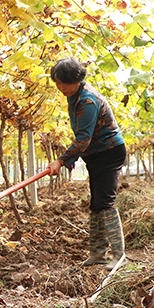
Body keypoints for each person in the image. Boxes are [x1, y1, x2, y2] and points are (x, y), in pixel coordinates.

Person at [46, 57, 127, 270]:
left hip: (108, 153)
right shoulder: (74, 95)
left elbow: (83, 138)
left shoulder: (87, 101)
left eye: (63, 83)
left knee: (105, 202)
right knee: (96, 204)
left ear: (75, 79)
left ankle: (119, 255)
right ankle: (98, 254)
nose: (60, 87)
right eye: (57, 83)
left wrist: (61, 161)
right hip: (96, 155)